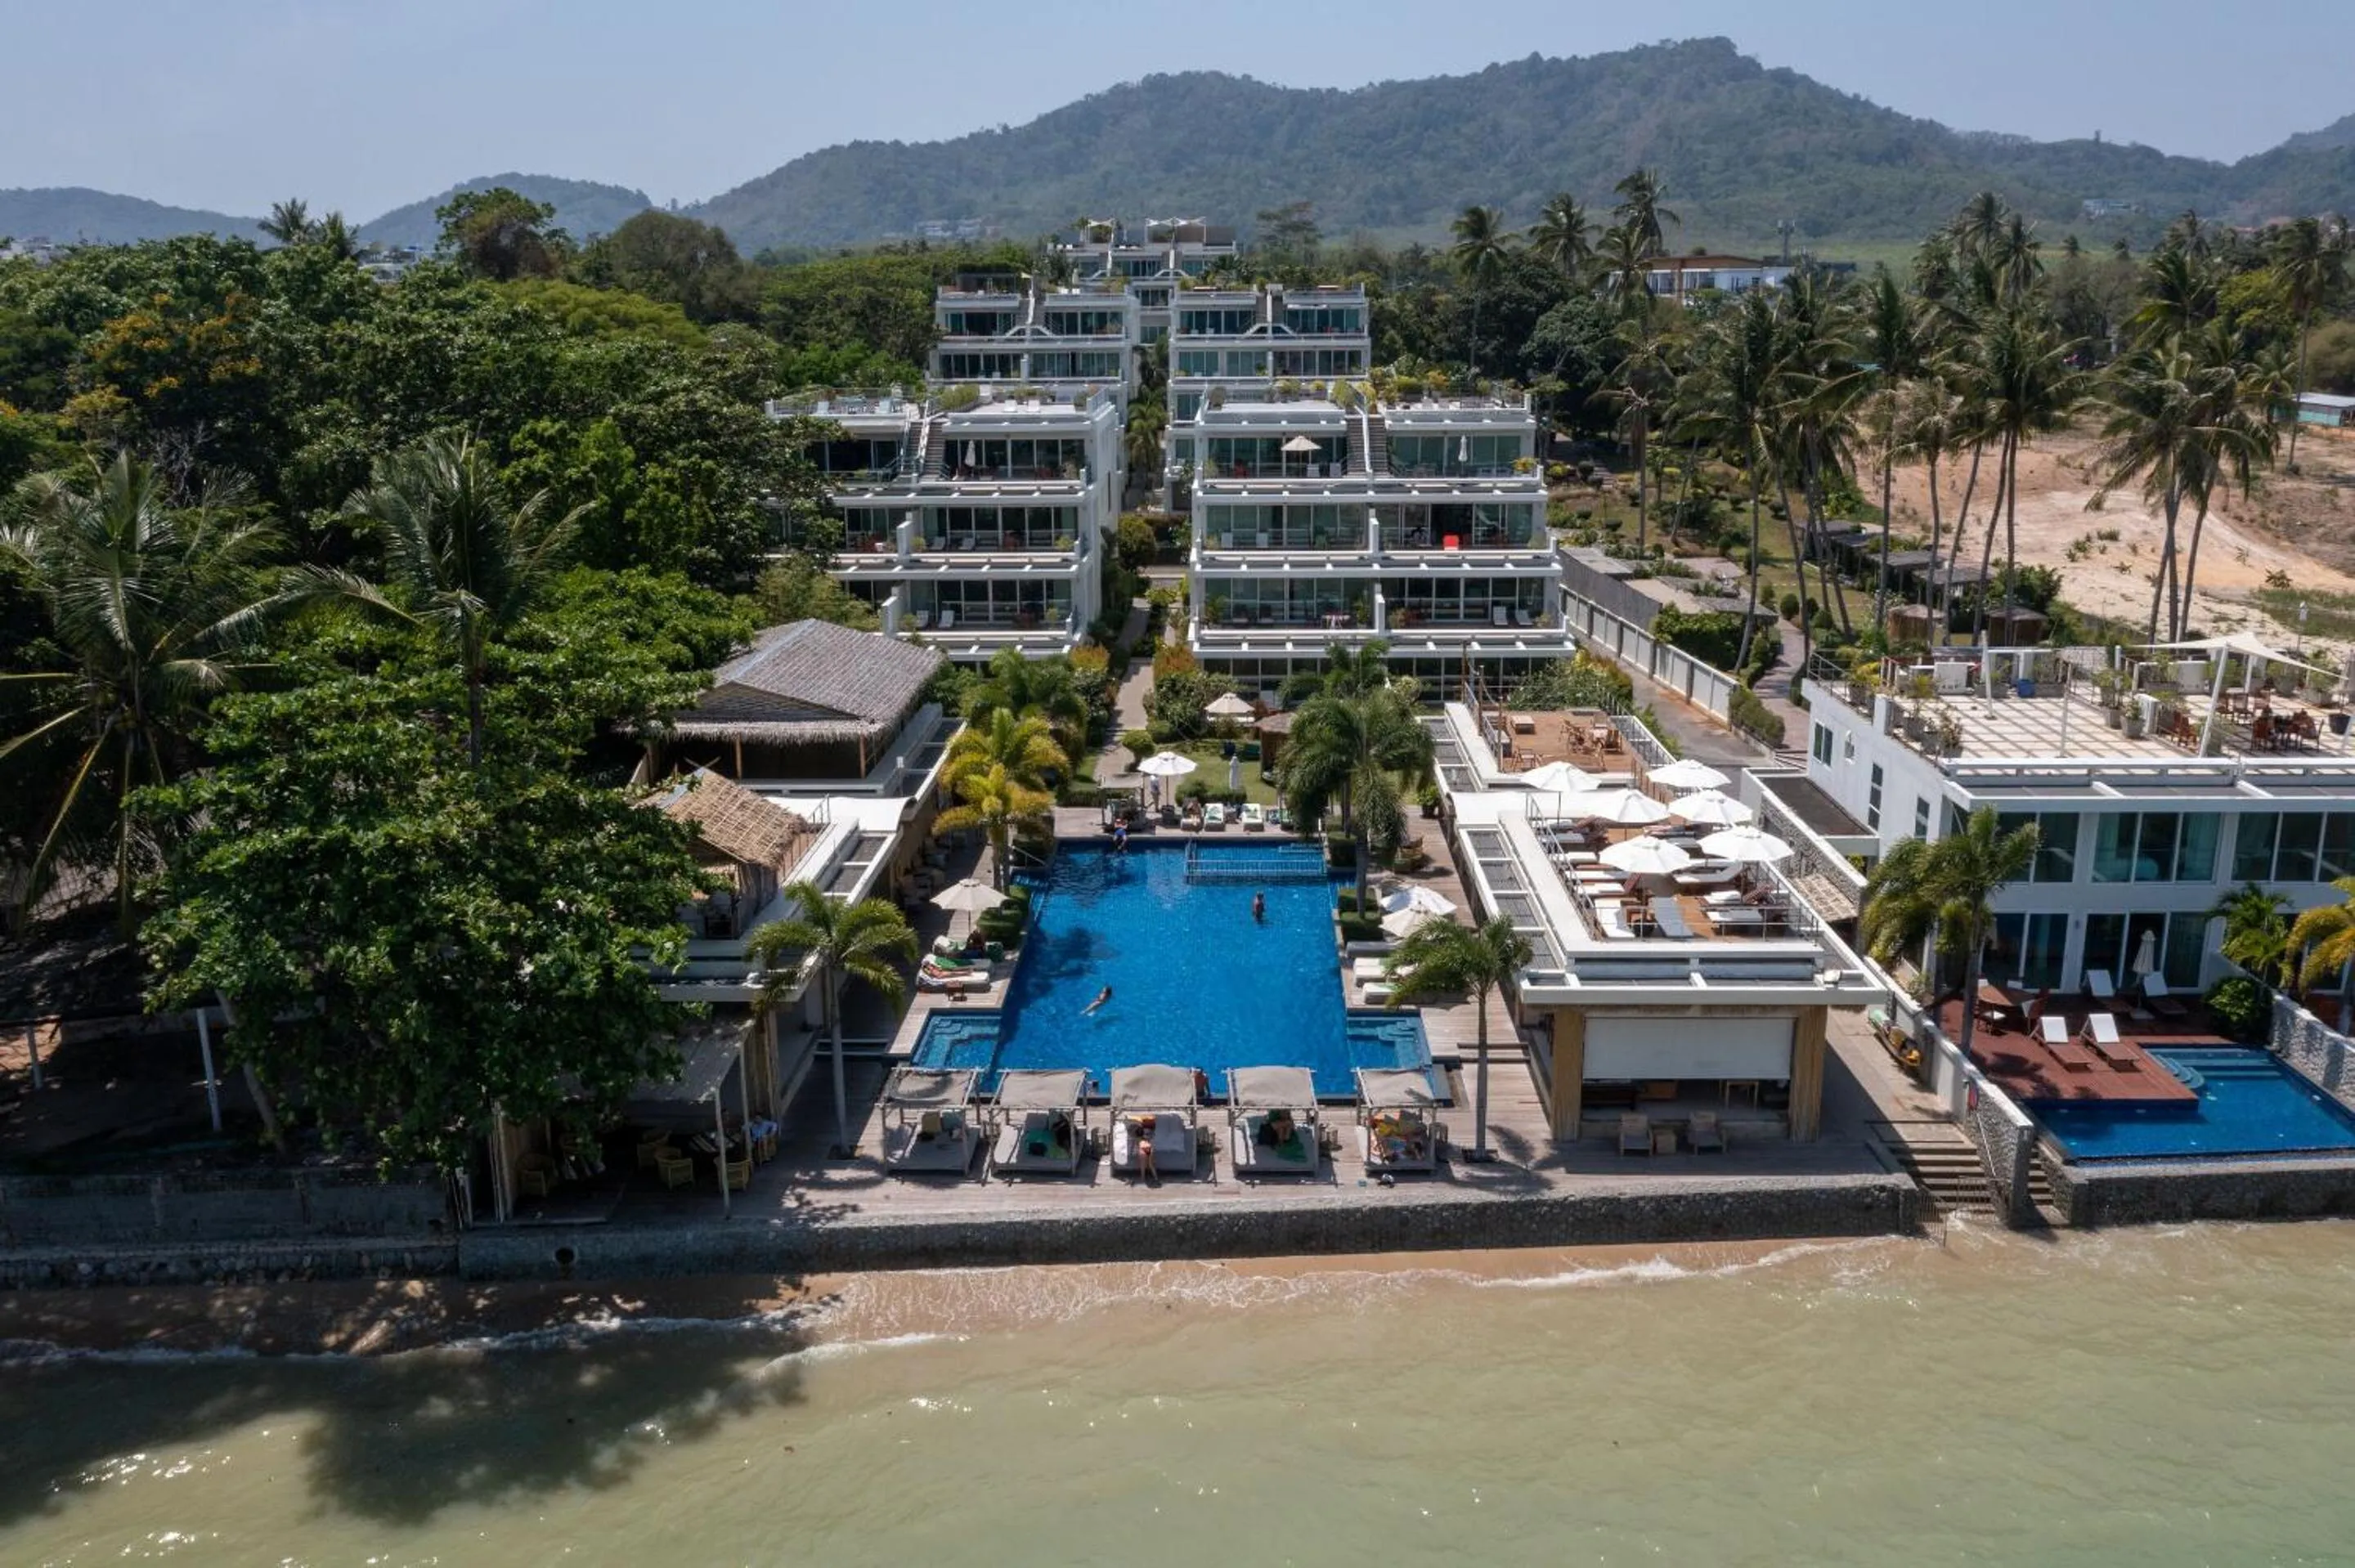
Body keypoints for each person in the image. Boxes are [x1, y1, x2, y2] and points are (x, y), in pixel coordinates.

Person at [1133, 1113, 1159, 1180]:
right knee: (1151, 1165)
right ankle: (1155, 1178)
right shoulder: (1148, 1135)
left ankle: (1143, 1178)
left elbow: (1136, 1144)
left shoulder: (1138, 1138)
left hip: (1142, 1149)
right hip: (1149, 1147)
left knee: (1143, 1165)